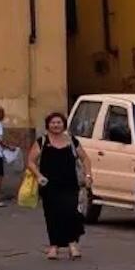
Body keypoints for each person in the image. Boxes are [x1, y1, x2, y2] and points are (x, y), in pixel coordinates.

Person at [31, 111, 88, 259]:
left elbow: (85, 158)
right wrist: (39, 175)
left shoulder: (72, 141)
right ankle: (53, 247)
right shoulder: (42, 141)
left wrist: (88, 175)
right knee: (52, 215)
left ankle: (72, 245)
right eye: (53, 123)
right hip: (49, 186)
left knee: (71, 213)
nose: (56, 125)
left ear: (64, 124)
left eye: (59, 122)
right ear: (48, 125)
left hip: (70, 184)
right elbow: (30, 161)